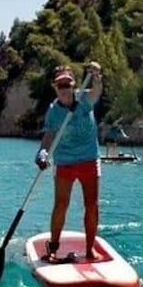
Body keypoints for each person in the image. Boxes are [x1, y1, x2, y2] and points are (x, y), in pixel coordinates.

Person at [34, 62, 103, 263]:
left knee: (91, 205)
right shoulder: (54, 111)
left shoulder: (85, 99)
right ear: (55, 88)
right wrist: (42, 153)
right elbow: (49, 136)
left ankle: (90, 249)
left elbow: (97, 90)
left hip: (89, 159)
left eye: (67, 84)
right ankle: (53, 248)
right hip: (65, 162)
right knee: (61, 204)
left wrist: (96, 74)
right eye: (60, 85)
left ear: (73, 85)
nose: (64, 89)